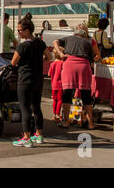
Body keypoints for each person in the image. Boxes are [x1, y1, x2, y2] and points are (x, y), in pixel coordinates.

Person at [11, 18, 52, 148]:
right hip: (38, 78)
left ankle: (26, 137)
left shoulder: (22, 46)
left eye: (20, 30)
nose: (18, 33)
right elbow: (49, 57)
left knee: (25, 108)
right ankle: (39, 135)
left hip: (25, 79)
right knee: (37, 107)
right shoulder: (40, 43)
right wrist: (40, 59)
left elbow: (13, 62)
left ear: (27, 30)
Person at [52, 24, 98, 130]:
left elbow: (54, 42)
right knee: (86, 94)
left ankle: (66, 121)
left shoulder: (68, 38)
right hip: (84, 66)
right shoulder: (87, 42)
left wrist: (60, 53)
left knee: (67, 93)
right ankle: (90, 123)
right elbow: (92, 58)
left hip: (70, 65)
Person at [48, 49, 64, 123]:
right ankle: (58, 114)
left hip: (53, 84)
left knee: (55, 100)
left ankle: (54, 114)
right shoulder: (62, 63)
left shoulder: (52, 64)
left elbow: (49, 74)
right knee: (60, 100)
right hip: (61, 84)